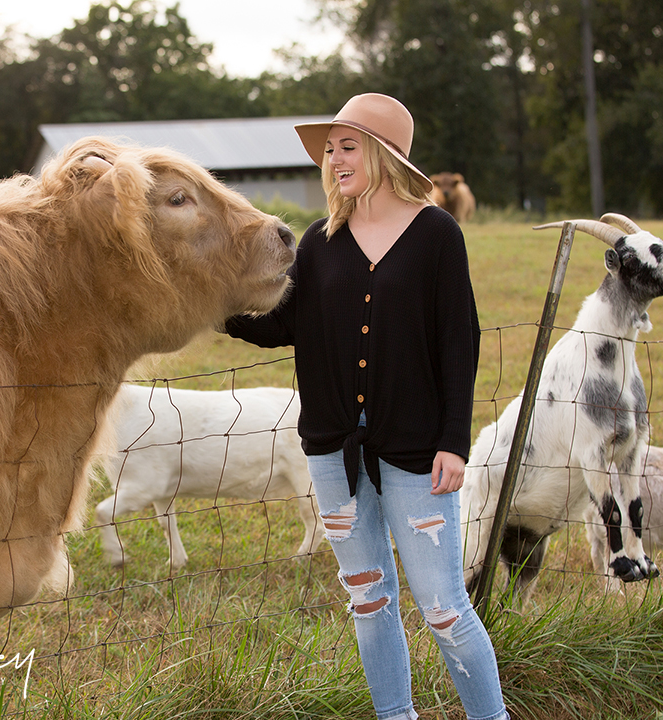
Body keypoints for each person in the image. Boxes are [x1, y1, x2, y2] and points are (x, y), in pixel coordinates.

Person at [225, 93, 509, 720]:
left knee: (442, 606)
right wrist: (210, 307)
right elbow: (284, 325)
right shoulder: (321, 242)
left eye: (347, 146)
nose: (334, 159)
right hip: (333, 452)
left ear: (383, 154)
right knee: (369, 600)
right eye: (329, 151)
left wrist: (453, 442)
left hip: (416, 452)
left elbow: (459, 341)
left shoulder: (438, 234)